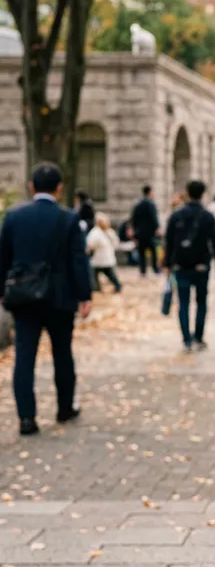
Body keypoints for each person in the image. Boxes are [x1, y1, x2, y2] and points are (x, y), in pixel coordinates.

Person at [0, 163, 93, 436]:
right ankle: (65, 407)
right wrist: (84, 295)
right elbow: (78, 260)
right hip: (60, 296)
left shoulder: (14, 218)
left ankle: (26, 418)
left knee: (24, 356)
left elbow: (3, 258)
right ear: (60, 188)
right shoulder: (68, 219)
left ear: (31, 187)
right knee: (62, 352)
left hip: (24, 296)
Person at [164, 180, 215, 353]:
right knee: (201, 302)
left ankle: (186, 339)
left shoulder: (176, 215)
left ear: (187, 193)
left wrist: (167, 263)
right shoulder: (207, 216)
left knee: (183, 302)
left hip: (180, 265)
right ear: (203, 194)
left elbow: (168, 241)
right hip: (201, 265)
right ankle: (198, 336)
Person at [86, 213, 122, 293]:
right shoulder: (95, 232)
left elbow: (116, 243)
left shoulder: (109, 232)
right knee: (95, 277)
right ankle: (96, 288)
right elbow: (90, 245)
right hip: (98, 260)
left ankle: (117, 286)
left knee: (111, 276)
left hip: (106, 259)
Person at [130, 185, 161, 276]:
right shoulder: (150, 203)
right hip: (149, 232)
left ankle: (143, 270)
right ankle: (155, 269)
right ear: (150, 192)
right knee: (153, 251)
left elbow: (134, 218)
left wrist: (135, 230)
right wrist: (157, 228)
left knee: (141, 252)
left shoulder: (138, 203)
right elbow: (153, 217)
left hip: (140, 232)